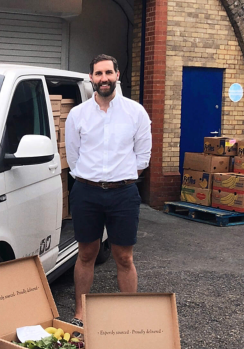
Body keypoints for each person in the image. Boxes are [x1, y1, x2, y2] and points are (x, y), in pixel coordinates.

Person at [64, 54, 152, 326]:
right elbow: (73, 157)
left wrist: (120, 177)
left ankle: (129, 317)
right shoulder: (77, 115)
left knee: (124, 257)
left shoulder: (135, 112)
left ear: (117, 76)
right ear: (91, 78)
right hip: (86, 193)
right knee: (86, 254)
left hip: (123, 194)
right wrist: (92, 179)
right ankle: (81, 314)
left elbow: (143, 157)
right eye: (98, 74)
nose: (104, 79)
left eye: (108, 73)